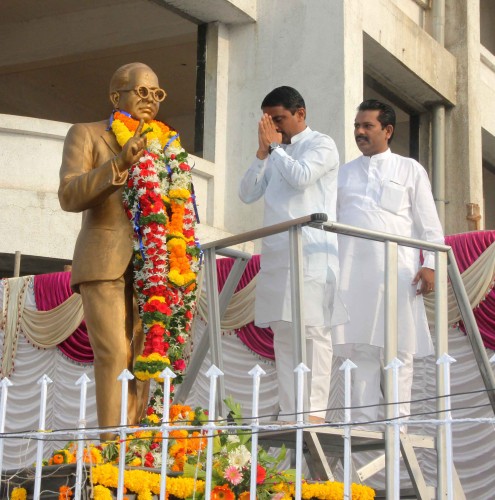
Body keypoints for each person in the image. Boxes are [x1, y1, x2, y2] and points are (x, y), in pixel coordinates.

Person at [58, 62, 165, 439]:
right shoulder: (86, 134)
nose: (150, 100)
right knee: (114, 354)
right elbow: (69, 195)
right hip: (104, 259)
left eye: (156, 94)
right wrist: (119, 163)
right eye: (141, 92)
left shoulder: (163, 143)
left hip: (152, 264)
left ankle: (134, 444)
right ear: (115, 96)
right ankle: (111, 447)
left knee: (144, 357)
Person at [333, 99, 444, 428]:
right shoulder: (344, 173)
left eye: (367, 126)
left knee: (399, 351)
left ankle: (398, 428)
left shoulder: (409, 170)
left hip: (397, 276)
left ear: (388, 130)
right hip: (353, 278)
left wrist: (431, 263)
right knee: (362, 353)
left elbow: (430, 225)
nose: (359, 132)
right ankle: (364, 430)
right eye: (357, 126)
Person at [239, 86, 342, 422]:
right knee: (284, 333)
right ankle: (290, 410)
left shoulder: (321, 145)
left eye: (280, 119)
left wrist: (274, 148)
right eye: (269, 121)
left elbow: (301, 178)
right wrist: (261, 154)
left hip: (312, 253)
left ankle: (312, 413)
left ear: (301, 113)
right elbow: (247, 194)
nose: (276, 128)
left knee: (313, 331)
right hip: (278, 254)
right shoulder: (273, 153)